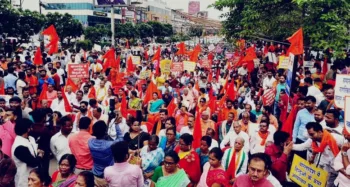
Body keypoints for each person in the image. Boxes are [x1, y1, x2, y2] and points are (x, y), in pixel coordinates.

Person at [293, 122, 341, 187]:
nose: (310, 137)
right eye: (309, 134)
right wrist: (290, 147)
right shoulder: (312, 140)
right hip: (326, 168)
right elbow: (302, 146)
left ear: (320, 132)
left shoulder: (336, 139)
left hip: (339, 168)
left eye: (312, 134)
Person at [88, 121, 123, 187]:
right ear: (105, 131)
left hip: (95, 174)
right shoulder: (109, 145)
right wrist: (116, 124)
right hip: (108, 176)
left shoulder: (90, 142)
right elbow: (121, 138)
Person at [12, 118, 44, 187]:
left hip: (34, 177)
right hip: (25, 179)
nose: (32, 129)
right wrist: (40, 155)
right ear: (27, 129)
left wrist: (37, 151)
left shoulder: (30, 138)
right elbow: (33, 162)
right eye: (31, 127)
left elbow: (32, 150)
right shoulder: (19, 146)